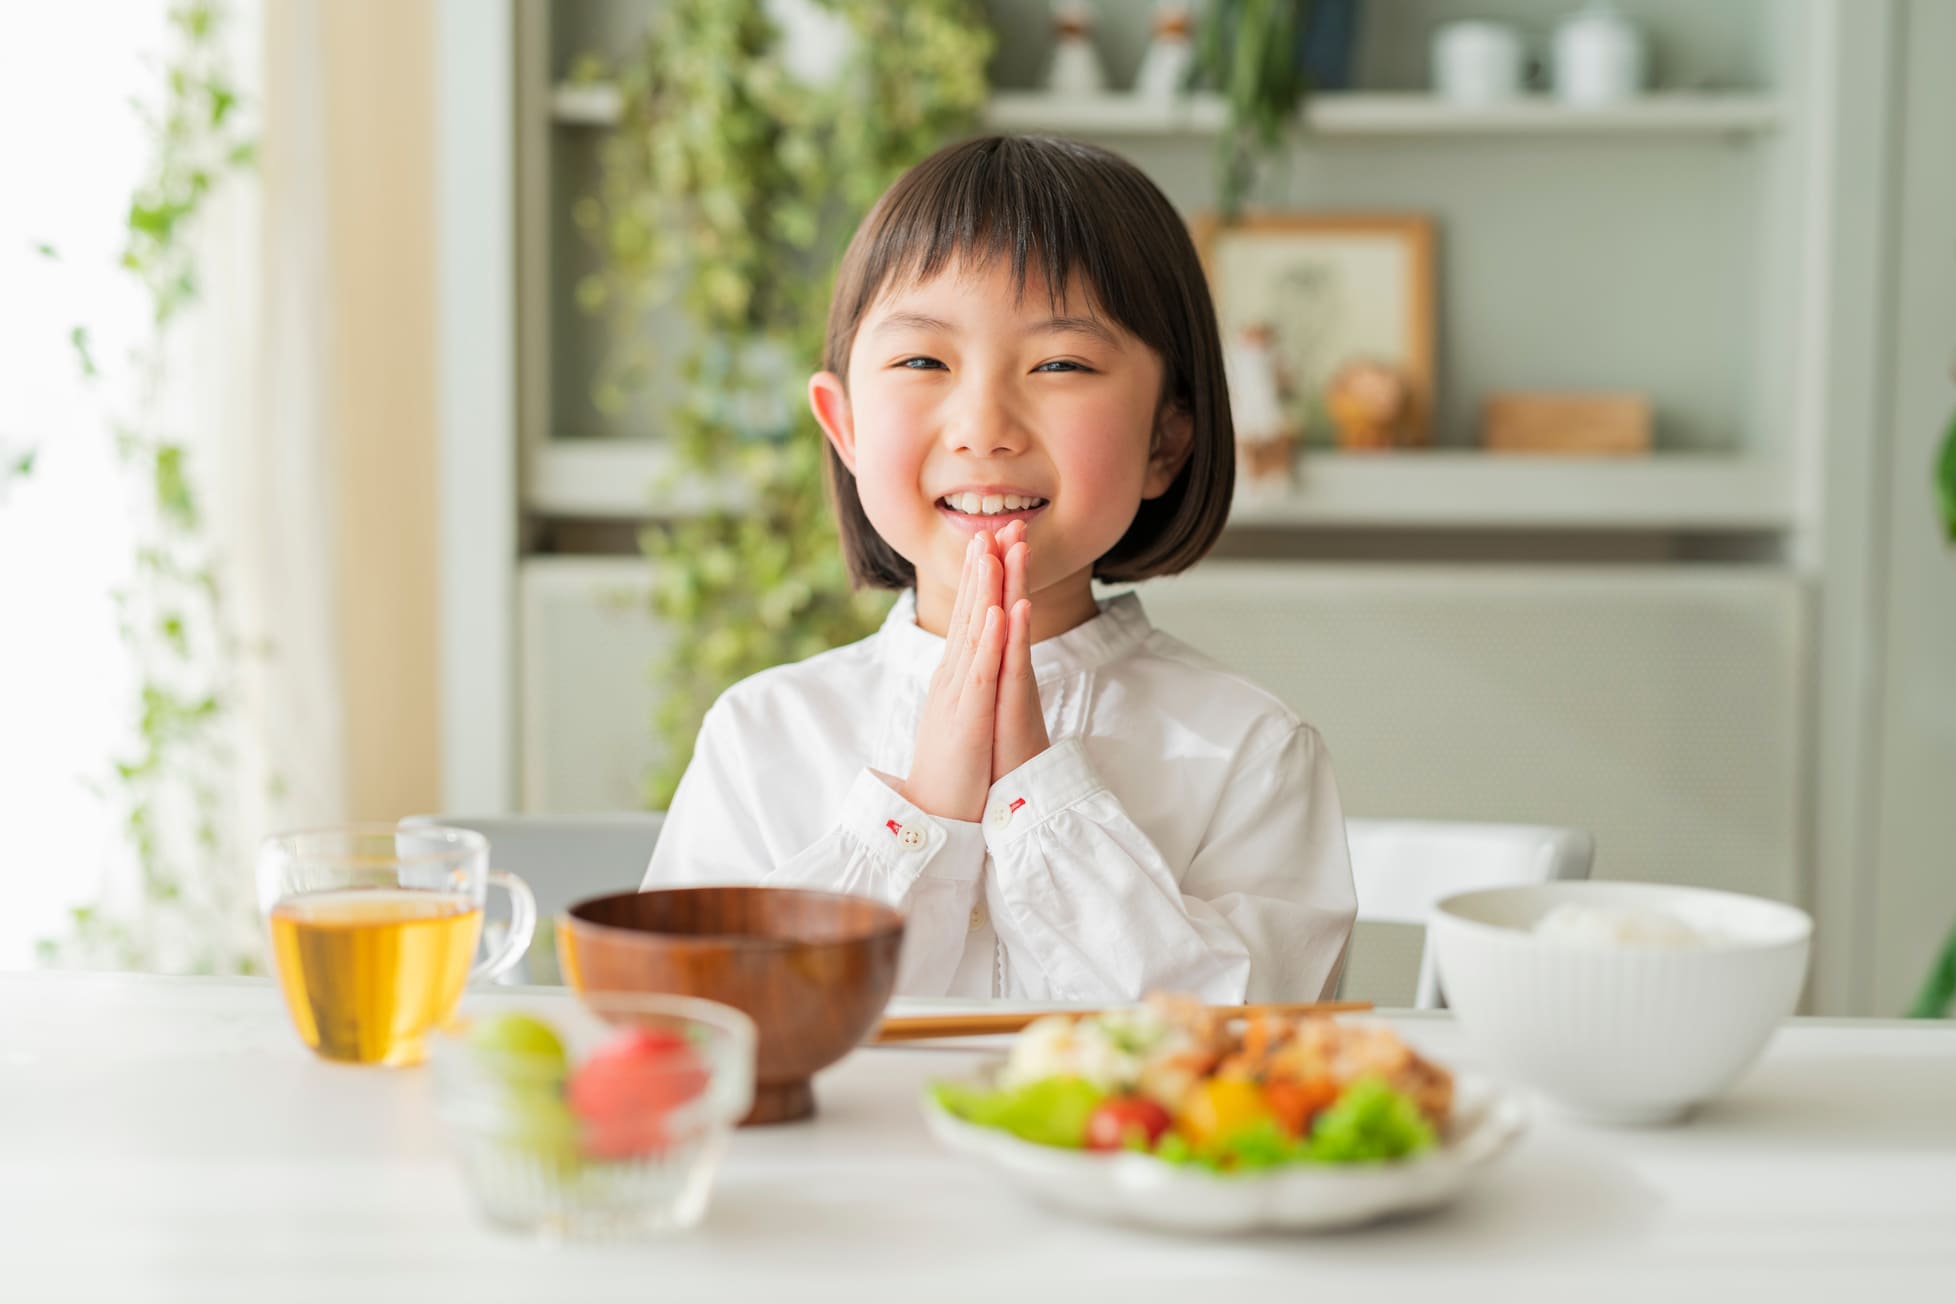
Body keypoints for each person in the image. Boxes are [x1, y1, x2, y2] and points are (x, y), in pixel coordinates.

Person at [643, 135, 1356, 1002]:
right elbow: (701, 1029)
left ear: (1167, 439)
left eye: (1060, 364)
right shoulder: (763, 736)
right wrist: (922, 816)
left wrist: (1035, 791)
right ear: (846, 427)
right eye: (922, 362)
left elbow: (1249, 1056)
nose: (984, 426)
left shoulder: (1249, 753)